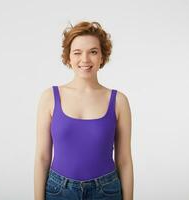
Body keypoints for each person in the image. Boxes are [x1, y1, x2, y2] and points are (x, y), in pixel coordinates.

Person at [34, 21, 133, 200]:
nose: (85, 59)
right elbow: (42, 158)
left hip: (106, 191)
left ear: (102, 57)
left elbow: (124, 160)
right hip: (59, 191)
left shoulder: (119, 101)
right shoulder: (50, 97)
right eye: (77, 53)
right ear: (68, 57)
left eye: (93, 52)